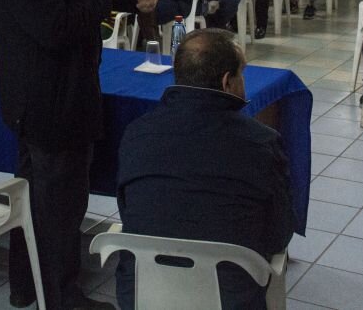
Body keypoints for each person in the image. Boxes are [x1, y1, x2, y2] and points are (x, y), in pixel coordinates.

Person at [0, 0, 156, 310]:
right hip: (49, 101)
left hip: (60, 94)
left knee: (38, 200)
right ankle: (61, 296)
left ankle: (27, 286)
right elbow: (56, 27)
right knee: (58, 205)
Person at [115, 29, 294, 310]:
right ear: (227, 82)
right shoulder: (261, 143)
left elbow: (128, 210)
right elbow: (279, 232)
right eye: (242, 74)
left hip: (142, 292)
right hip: (231, 298)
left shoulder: (136, 133)